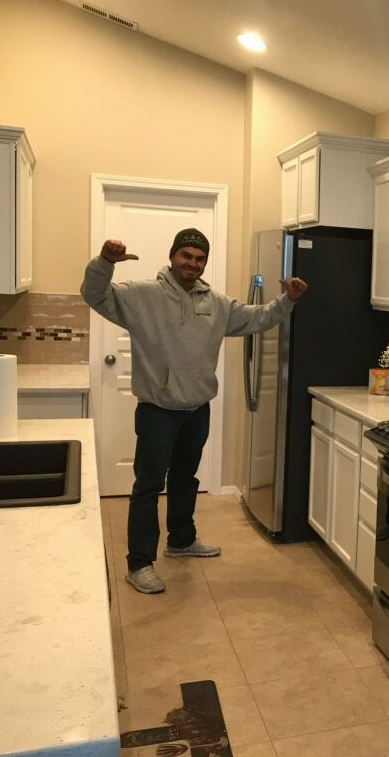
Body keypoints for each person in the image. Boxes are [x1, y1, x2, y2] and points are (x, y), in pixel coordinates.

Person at [81, 228, 308, 594]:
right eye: (186, 255)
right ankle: (139, 563)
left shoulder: (216, 303)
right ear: (173, 256)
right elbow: (94, 294)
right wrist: (105, 261)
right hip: (157, 410)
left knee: (186, 479)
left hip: (197, 409)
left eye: (200, 258)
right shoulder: (142, 295)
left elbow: (256, 317)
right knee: (147, 486)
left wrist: (288, 300)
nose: (192, 263)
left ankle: (182, 540)